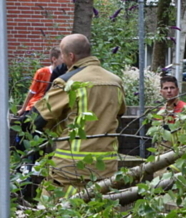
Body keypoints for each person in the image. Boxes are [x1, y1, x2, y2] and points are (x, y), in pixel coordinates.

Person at [30, 33, 125, 189]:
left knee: (54, 203)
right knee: (99, 203)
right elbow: (118, 113)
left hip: (69, 166)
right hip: (106, 166)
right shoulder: (115, 81)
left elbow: (38, 118)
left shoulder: (67, 82)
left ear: (71, 56)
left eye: (62, 55)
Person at [18, 47, 63, 114]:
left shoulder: (65, 73)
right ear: (54, 59)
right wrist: (23, 109)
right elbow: (31, 92)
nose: (64, 61)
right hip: (37, 104)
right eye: (62, 58)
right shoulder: (41, 72)